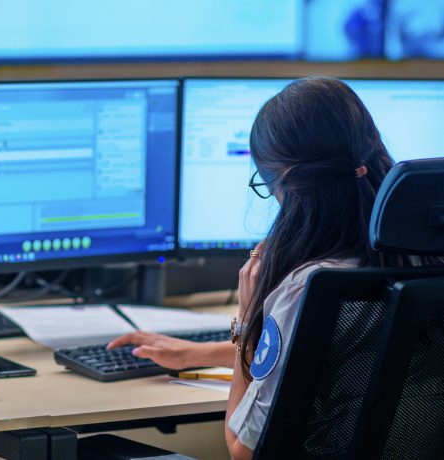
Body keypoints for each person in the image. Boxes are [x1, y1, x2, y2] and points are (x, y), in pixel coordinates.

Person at [108, 76, 436, 459]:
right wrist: (195, 353)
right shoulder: (421, 262)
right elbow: (340, 353)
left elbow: (242, 451)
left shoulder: (306, 286)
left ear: (283, 184)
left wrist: (248, 325)